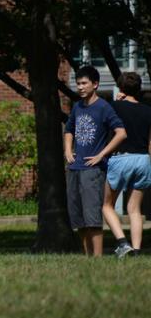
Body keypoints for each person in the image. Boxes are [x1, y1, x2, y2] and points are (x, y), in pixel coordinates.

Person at [64, 65, 126, 257]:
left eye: (84, 83)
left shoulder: (104, 107)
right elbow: (69, 130)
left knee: (92, 218)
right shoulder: (77, 107)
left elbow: (121, 133)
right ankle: (88, 257)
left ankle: (97, 258)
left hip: (93, 170)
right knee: (79, 219)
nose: (80, 87)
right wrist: (68, 150)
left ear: (95, 84)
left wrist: (101, 155)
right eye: (78, 84)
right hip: (75, 168)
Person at [100, 72, 151, 257]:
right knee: (134, 209)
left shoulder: (114, 107)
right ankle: (136, 251)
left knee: (107, 205)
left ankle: (123, 243)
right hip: (143, 160)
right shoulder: (148, 110)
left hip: (121, 159)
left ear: (120, 88)